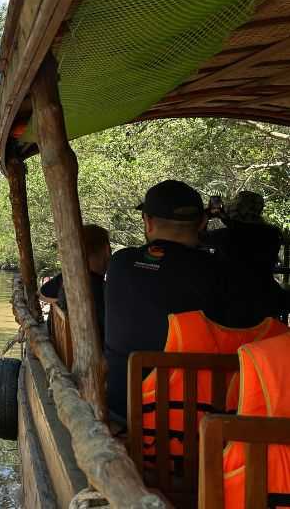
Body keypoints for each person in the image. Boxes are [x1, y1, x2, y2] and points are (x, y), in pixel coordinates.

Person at [105, 180, 228, 419]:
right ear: (202, 223)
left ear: (148, 222)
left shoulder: (120, 263)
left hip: (123, 408)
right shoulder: (220, 271)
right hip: (197, 419)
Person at [205, 190, 288, 325]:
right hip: (265, 299)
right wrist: (224, 217)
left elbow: (197, 237)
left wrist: (207, 214)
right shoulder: (272, 234)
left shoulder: (225, 235)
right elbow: (248, 230)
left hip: (231, 302)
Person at [41, 225, 111, 343]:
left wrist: (65, 303)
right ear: (107, 250)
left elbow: (41, 293)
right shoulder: (100, 289)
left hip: (66, 351)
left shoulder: (68, 278)